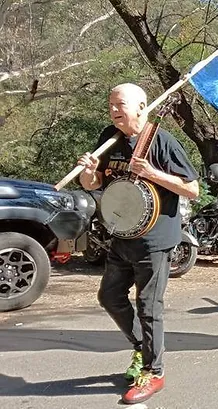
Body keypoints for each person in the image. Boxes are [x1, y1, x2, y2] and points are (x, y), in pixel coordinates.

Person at [77, 83, 200, 404]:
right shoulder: (110, 138)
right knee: (109, 296)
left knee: (149, 306)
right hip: (122, 234)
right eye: (111, 105)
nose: (114, 110)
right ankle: (141, 347)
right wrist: (88, 173)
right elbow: (94, 184)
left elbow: (192, 189)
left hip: (155, 239)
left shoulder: (161, 141)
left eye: (120, 104)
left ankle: (154, 372)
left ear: (141, 106)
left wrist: (152, 173)